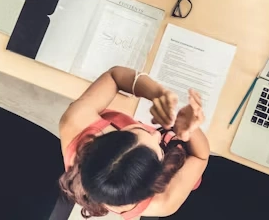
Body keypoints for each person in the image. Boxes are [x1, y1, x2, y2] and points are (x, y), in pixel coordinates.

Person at [58, 67, 210, 218]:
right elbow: (201, 156)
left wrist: (156, 93)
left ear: (102, 137)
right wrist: (191, 132)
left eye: (139, 131)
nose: (156, 133)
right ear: (157, 182)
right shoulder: (163, 202)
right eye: (159, 150)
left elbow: (114, 76)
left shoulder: (76, 123)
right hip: (186, 167)